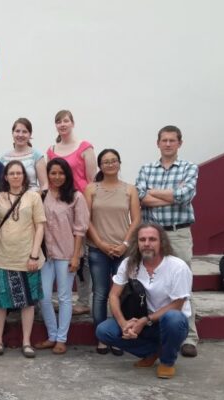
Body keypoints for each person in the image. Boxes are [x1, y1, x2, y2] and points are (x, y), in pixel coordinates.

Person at [96, 223, 192, 379]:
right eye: (142, 239)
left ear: (162, 242)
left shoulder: (177, 267)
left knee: (173, 318)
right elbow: (113, 295)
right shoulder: (129, 263)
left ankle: (167, 362)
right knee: (104, 331)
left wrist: (145, 320)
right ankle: (151, 352)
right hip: (140, 321)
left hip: (167, 324)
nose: (147, 243)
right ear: (137, 243)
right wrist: (123, 323)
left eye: (152, 239)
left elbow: (177, 305)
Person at [135, 125, 199, 358]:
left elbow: (185, 195)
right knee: (150, 281)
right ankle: (155, 332)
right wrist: (172, 195)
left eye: (173, 140)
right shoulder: (146, 169)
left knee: (183, 284)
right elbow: (140, 196)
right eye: (165, 140)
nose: (168, 144)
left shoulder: (189, 168)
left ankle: (189, 337)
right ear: (158, 143)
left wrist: (154, 192)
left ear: (179, 143)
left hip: (178, 233)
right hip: (151, 236)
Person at [84, 149, 140, 355]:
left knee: (122, 294)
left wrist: (125, 244)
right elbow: (86, 219)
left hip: (123, 250)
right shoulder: (91, 189)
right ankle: (102, 338)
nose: (110, 164)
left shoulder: (129, 189)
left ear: (119, 163)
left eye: (114, 161)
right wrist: (100, 243)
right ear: (100, 165)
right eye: (106, 162)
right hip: (97, 250)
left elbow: (136, 220)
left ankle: (119, 336)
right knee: (100, 293)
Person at [0, 161, 46, 358]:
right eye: (11, 173)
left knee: (28, 302)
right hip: (2, 256)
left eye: (19, 173)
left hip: (27, 257)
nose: (15, 176)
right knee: (1, 301)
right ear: (5, 177)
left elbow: (40, 226)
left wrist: (34, 254)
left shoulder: (34, 197)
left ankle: (26, 342)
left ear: (24, 176)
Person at [35, 158, 89, 355]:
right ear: (47, 175)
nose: (57, 177)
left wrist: (76, 257)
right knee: (44, 296)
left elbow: (80, 230)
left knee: (65, 297)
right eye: (53, 173)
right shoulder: (41, 196)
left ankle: (61, 339)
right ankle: (52, 335)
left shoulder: (76, 197)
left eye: (61, 173)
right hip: (46, 254)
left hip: (67, 254)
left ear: (67, 175)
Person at [46, 110, 96, 315]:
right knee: (59, 253)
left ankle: (83, 300)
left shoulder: (85, 147)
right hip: (60, 208)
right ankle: (61, 297)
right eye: (58, 121)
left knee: (82, 254)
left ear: (72, 123)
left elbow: (91, 181)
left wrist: (88, 208)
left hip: (81, 203)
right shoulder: (51, 150)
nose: (62, 124)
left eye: (66, 121)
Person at [0, 118, 47, 191]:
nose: (20, 135)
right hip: (10, 197)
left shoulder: (37, 156)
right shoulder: (4, 158)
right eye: (17, 131)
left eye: (24, 132)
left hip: (32, 196)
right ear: (12, 133)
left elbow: (44, 184)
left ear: (30, 134)